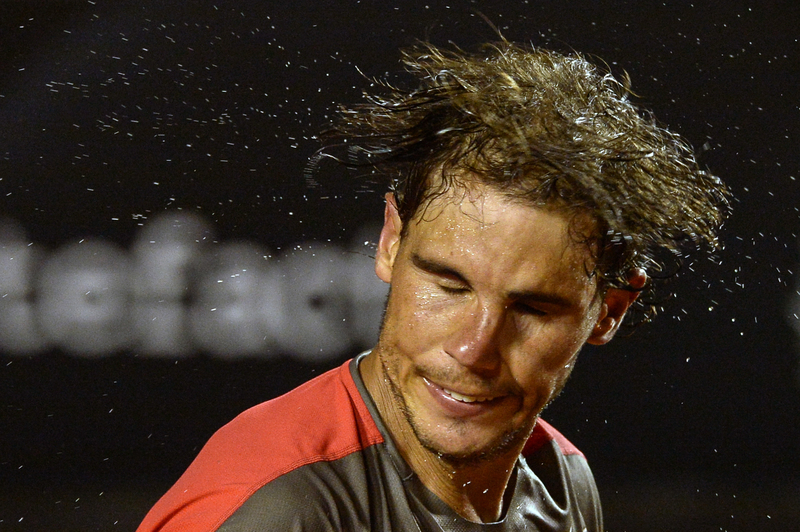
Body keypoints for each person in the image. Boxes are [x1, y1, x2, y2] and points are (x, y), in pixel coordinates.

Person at [137, 40, 729, 531]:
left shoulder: (562, 480)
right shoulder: (278, 511)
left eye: (530, 309)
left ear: (608, 311)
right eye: (449, 284)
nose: (474, 349)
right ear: (391, 243)